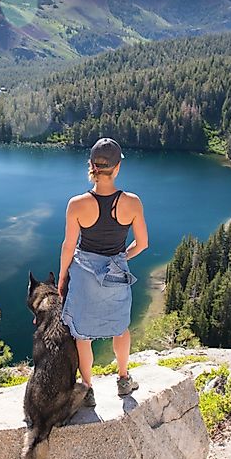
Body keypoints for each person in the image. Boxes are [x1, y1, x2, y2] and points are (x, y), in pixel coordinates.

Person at [58, 137, 148, 406]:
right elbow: (142, 244)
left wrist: (63, 276)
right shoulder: (132, 202)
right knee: (121, 328)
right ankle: (123, 380)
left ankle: (87, 389)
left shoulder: (77, 204)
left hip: (84, 276)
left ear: (91, 166)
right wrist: (121, 257)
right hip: (116, 275)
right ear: (117, 168)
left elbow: (68, 246)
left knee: (82, 335)